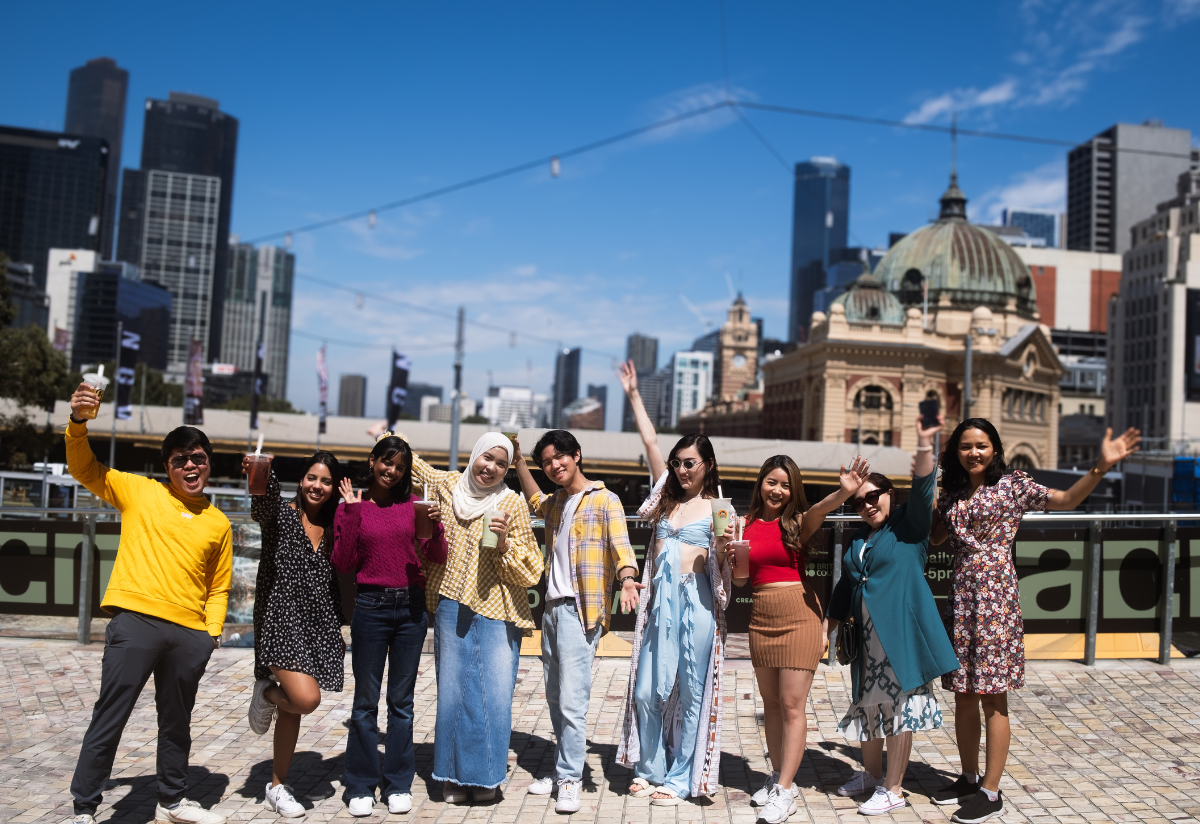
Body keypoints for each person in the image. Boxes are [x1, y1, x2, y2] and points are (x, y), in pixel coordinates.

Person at [930, 418, 1140, 824]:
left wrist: (1099, 468)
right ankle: (969, 778)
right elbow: (935, 538)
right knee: (962, 694)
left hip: (996, 598)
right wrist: (925, 491)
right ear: (956, 452)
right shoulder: (952, 491)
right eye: (965, 446)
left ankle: (991, 793)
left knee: (993, 696)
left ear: (995, 449)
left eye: (982, 445)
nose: (973, 453)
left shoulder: (1013, 484)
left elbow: (1065, 500)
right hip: (961, 596)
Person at [64, 383, 232, 824]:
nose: (190, 465)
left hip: (189, 635)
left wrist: (209, 634)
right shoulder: (140, 491)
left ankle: (172, 800)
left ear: (209, 464)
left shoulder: (218, 523)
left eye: (198, 458)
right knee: (111, 716)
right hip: (135, 622)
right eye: (180, 459)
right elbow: (84, 468)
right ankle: (84, 807)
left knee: (176, 723)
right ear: (167, 467)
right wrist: (78, 423)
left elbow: (219, 586)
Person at [825, 416, 960, 816]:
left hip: (900, 637)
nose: (867, 505)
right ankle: (870, 775)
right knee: (869, 703)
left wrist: (923, 443)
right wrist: (826, 629)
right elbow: (845, 588)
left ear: (890, 494)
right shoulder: (856, 540)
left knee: (901, 706)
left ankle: (894, 788)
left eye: (875, 496)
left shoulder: (909, 527)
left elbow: (923, 488)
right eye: (859, 501)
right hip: (867, 640)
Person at [614, 361, 732, 806]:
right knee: (646, 689)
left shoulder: (719, 508)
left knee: (692, 691)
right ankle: (650, 767)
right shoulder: (665, 498)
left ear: (707, 466)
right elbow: (649, 440)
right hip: (660, 604)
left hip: (696, 601)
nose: (683, 471)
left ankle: (681, 777)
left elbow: (724, 568)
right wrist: (633, 394)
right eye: (678, 464)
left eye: (691, 464)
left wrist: (726, 546)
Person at [728, 453, 870, 823]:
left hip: (798, 617)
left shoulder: (797, 523)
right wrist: (726, 552)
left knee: (792, 706)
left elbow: (823, 508)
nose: (777, 490)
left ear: (793, 491)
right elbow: (741, 580)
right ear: (761, 483)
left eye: (785, 484)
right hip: (760, 618)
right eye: (771, 482)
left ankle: (787, 791)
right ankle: (777, 776)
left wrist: (844, 492)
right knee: (771, 704)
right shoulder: (744, 524)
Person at [404, 431, 543, 803]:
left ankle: (487, 779)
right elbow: (409, 464)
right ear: (475, 455)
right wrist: (384, 436)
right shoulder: (449, 485)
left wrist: (505, 544)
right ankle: (452, 777)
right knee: (453, 694)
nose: (491, 468)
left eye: (501, 463)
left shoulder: (510, 503)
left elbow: (532, 570)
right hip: (451, 603)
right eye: (488, 458)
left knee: (493, 696)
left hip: (499, 609)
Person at [512, 430, 640, 814]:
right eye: (547, 462)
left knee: (572, 700)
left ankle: (570, 779)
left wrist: (629, 579)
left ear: (577, 455)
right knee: (555, 696)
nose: (554, 466)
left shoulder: (605, 500)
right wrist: (519, 460)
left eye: (559, 458)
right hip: (551, 611)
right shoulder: (556, 503)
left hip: (579, 611)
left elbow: (622, 546)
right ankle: (562, 765)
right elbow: (535, 501)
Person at [330, 434, 449, 817]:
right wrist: (349, 514)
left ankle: (398, 782)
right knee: (365, 703)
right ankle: (360, 784)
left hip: (411, 609)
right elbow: (344, 562)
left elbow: (436, 555)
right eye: (386, 462)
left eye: (399, 467)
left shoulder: (414, 505)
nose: (392, 471)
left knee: (402, 703)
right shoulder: (354, 506)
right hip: (370, 606)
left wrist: (436, 527)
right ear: (372, 460)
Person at [243, 451, 347, 818]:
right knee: (304, 699)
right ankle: (267, 693)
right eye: (311, 478)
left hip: (314, 626)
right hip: (279, 620)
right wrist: (261, 474)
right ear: (300, 480)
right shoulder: (280, 516)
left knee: (294, 712)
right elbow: (262, 505)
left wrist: (355, 511)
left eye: (326, 481)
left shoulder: (336, 525)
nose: (317, 486)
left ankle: (277, 786)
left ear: (334, 487)